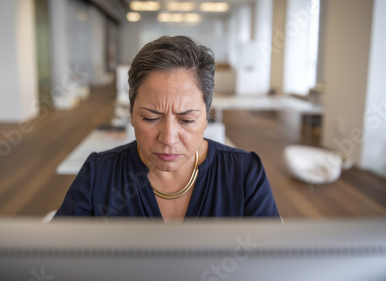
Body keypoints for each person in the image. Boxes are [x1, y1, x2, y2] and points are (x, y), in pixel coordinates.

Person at [55, 35, 279, 221]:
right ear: (131, 114)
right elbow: (58, 261)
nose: (169, 138)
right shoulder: (98, 175)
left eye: (187, 120)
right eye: (151, 118)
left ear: (206, 117)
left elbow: (274, 266)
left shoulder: (245, 174)